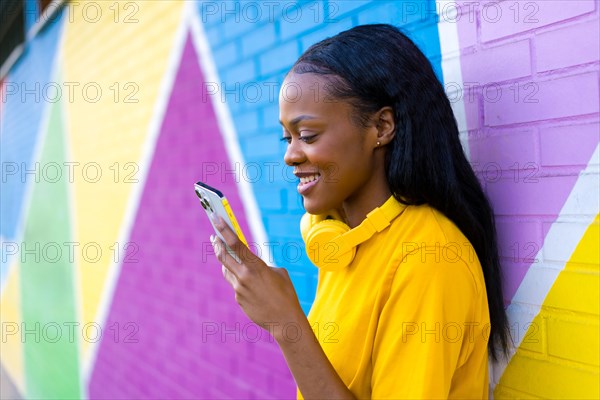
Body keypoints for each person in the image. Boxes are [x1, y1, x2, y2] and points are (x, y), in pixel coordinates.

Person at [209, 24, 510, 399]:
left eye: (308, 135)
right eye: (287, 138)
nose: (290, 155)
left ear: (381, 127)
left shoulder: (429, 258)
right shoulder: (340, 240)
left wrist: (287, 324)